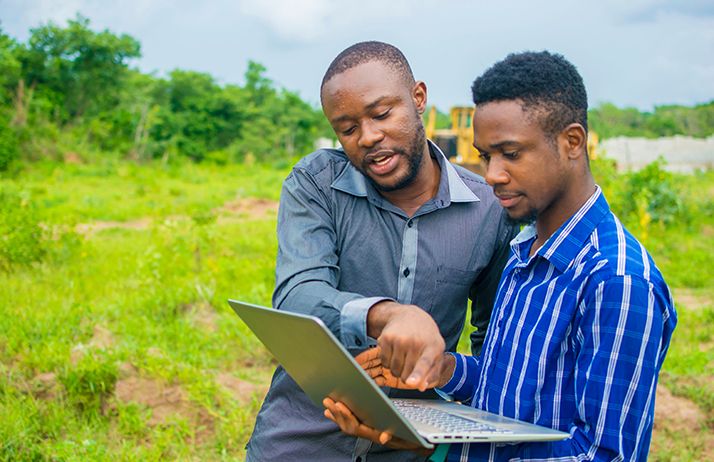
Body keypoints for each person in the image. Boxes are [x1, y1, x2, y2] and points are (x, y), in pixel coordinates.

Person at [323, 51, 677, 461]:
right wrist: (445, 370)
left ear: (572, 142)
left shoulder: (617, 281)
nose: (492, 175)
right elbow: (505, 390)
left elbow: (605, 455)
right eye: (487, 156)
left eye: (511, 154)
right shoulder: (524, 254)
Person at [245, 42, 516, 461]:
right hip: (300, 441)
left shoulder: (488, 211)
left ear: (418, 98)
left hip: (411, 448)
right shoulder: (316, 185)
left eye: (382, 114)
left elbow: (493, 341)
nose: (369, 137)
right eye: (348, 129)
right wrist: (387, 314)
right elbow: (298, 293)